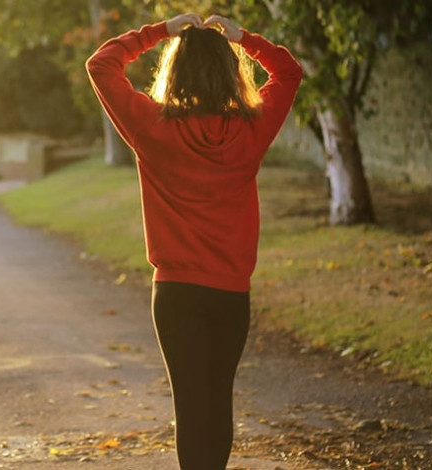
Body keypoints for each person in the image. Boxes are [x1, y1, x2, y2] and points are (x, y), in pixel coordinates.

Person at [86, 12, 302, 469]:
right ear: (230, 72)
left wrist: (160, 30)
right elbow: (289, 72)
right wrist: (244, 38)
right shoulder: (251, 129)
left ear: (175, 71)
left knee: (191, 407)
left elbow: (101, 65)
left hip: (176, 294)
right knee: (217, 401)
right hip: (230, 294)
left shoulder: (154, 127)